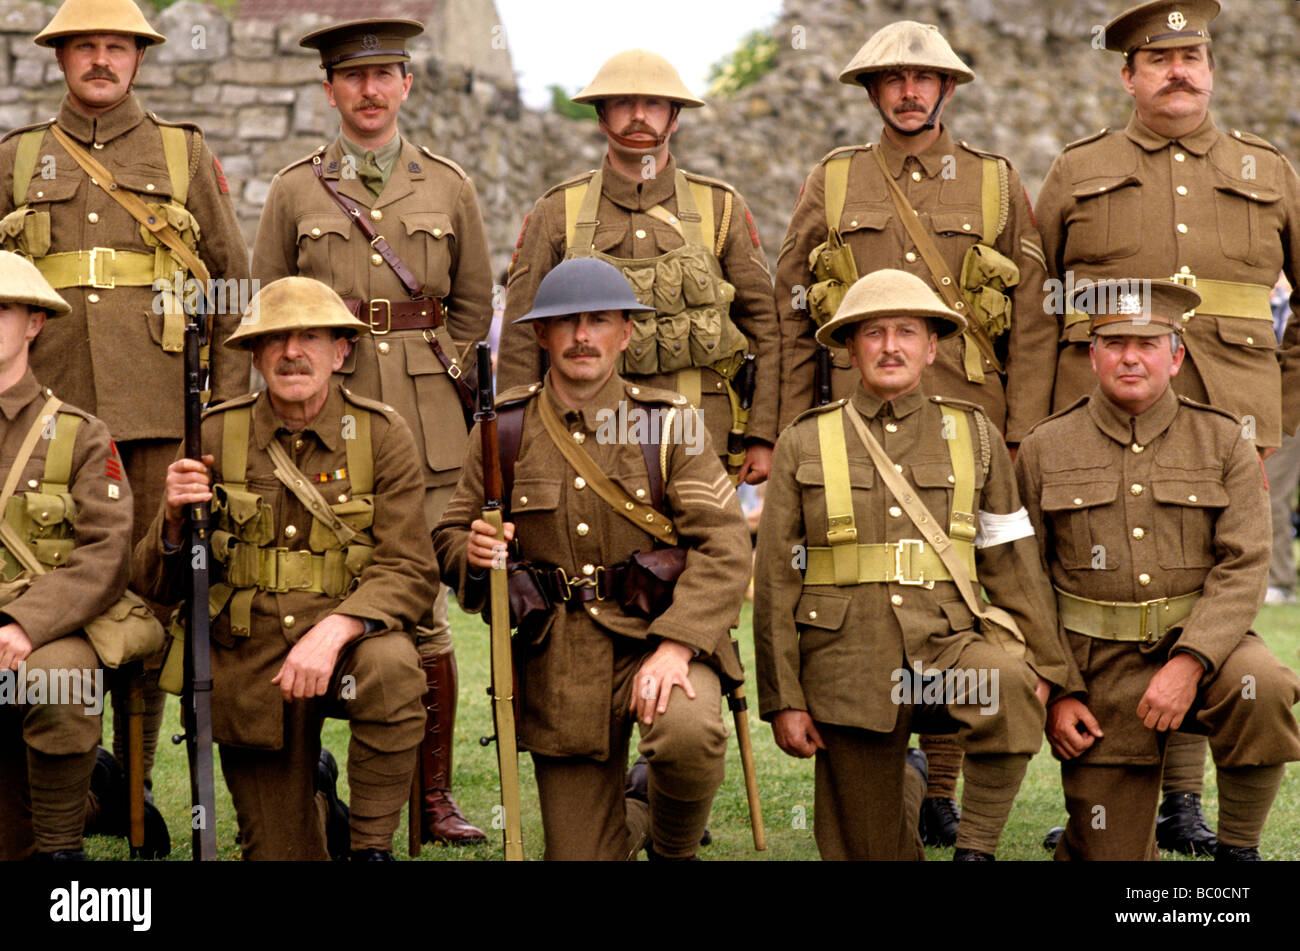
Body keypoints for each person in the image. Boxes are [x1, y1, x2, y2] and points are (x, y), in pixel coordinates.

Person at [774, 21, 1056, 842]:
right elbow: (795, 317)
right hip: (850, 429)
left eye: (924, 78)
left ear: (949, 89)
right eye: (891, 79)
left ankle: (945, 783)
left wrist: (1021, 431)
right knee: (871, 588)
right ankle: (899, 767)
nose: (908, 91)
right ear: (871, 91)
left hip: (972, 417)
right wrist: (785, 432)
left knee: (956, 581)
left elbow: (1034, 319)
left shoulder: (997, 185)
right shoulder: (831, 183)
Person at [1033, 0, 1300, 852]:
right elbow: (1040, 310)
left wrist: (1282, 409)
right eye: (1159, 60)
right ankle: (1158, 800)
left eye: (1192, 55)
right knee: (1130, 582)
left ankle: (1194, 807)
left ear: (1211, 67)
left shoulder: (1270, 169)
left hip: (1235, 419)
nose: (1178, 70)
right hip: (1104, 420)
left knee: (1200, 582)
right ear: (1128, 76)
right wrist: (1030, 427)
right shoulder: (1079, 171)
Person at [0, 0, 251, 826]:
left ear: (138, 57)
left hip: (155, 419)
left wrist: (224, 423)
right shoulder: (17, 155)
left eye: (117, 47)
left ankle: (136, 790)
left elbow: (230, 291)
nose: (101, 61)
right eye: (85, 47)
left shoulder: (183, 152)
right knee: (42, 585)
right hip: (43, 422)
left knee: (149, 602)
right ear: (59, 57)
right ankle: (66, 775)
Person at [251, 17, 493, 847]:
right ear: (330, 90)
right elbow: (270, 304)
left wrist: (444, 373)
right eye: (352, 78)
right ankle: (303, 781)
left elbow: (472, 305)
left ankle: (431, 795)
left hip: (426, 427)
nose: (369, 90)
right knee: (316, 589)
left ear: (407, 85)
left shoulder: (448, 185)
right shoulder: (294, 190)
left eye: (385, 74)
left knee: (420, 608)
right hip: (325, 415)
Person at [434, 258, 752, 860]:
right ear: (540, 335)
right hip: (560, 662)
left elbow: (725, 545)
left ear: (626, 333)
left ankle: (673, 847)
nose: (582, 336)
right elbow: (451, 534)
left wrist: (678, 646)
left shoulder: (669, 425)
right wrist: (473, 554)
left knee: (688, 733)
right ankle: (637, 811)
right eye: (566, 322)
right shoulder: (503, 429)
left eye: (599, 320)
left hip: (654, 636)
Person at [754, 268, 1070, 860]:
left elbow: (1010, 553)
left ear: (931, 348)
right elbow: (775, 579)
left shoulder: (973, 433)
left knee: (1005, 686)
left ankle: (975, 850)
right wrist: (785, 700)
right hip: (846, 660)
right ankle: (913, 778)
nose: (891, 346)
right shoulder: (804, 439)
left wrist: (1049, 668)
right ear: (850, 349)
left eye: (906, 332)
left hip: (949, 644)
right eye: (873, 333)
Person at [131, 277, 432, 860]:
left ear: (341, 351)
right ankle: (313, 801)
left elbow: (409, 569)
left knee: (393, 667)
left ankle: (371, 848)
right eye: (276, 339)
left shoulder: (381, 434)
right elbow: (156, 585)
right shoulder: (214, 431)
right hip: (250, 666)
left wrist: (337, 629)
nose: (293, 351)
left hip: (347, 649)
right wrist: (171, 520)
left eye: (311, 336)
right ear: (254, 353)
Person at [1016, 278, 1300, 860]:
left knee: (1264, 686)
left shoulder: (1223, 442)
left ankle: (1239, 851)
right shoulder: (1046, 447)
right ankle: (1084, 832)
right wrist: (1061, 689)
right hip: (1097, 671)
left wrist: (1191, 661)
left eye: (1147, 344)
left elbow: (1245, 563)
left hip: (1205, 649)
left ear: (1176, 357)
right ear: (1092, 355)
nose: (1129, 356)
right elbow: (1025, 580)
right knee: (1112, 857)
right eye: (1114, 341)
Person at [496, 49, 779, 485]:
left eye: (653, 105)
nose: (639, 117)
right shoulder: (558, 212)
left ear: (675, 117)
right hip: (585, 437)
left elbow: (763, 326)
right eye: (624, 104)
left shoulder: (720, 207)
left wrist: (763, 433)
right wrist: (515, 438)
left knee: (712, 551)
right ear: (601, 117)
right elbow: (519, 337)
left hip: (702, 436)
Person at [0, 251, 134, 861]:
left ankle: (62, 853)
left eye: (4, 309)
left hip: (48, 627)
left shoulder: (80, 433)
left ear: (34, 324)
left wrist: (25, 625)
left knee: (62, 678)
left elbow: (106, 554)